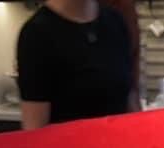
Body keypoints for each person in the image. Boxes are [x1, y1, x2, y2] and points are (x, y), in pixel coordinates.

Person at [17, 0, 139, 130]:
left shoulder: (116, 22)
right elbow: (35, 130)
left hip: (116, 147)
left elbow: (131, 104)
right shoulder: (36, 34)